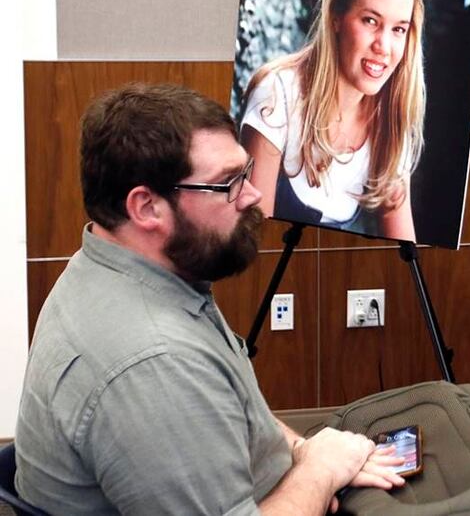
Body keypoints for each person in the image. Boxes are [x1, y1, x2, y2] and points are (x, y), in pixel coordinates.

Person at [16, 83, 405, 515]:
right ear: (146, 208)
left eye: (245, 172)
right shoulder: (154, 364)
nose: (253, 195)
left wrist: (304, 452)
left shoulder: (117, 267)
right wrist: (319, 473)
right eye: (227, 184)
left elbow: (225, 412)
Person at [241, 0, 426, 241]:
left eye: (398, 29)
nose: (383, 46)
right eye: (370, 20)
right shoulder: (278, 95)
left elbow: (404, 251)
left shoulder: (391, 124)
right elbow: (253, 245)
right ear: (337, 16)